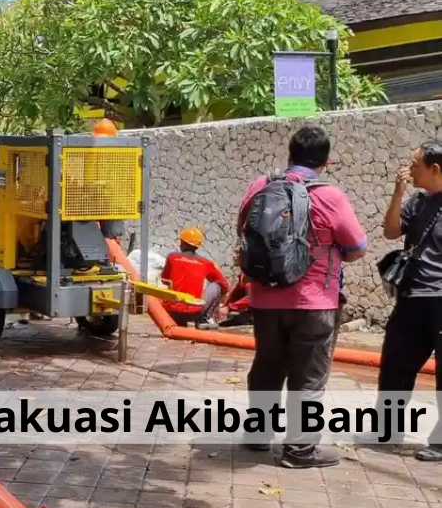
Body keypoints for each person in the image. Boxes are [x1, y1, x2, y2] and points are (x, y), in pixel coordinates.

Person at [238, 125, 367, 468]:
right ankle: (299, 451)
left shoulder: (260, 186)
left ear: (290, 153)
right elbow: (357, 247)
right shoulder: (330, 196)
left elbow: (244, 234)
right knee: (309, 375)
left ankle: (258, 434)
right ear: (326, 160)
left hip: (265, 299)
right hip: (315, 301)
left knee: (267, 366)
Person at [378, 141, 442, 460]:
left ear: (435, 169)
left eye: (415, 165)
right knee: (395, 363)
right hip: (411, 296)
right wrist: (397, 192)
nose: (408, 169)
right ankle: (388, 428)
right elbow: (391, 232)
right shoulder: (417, 201)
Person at [159, 227, 229, 328]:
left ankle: (179, 321)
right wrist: (221, 300)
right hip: (193, 313)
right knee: (216, 285)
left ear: (183, 243)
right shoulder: (205, 263)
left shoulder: (172, 257)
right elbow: (224, 284)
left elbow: (164, 278)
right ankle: (204, 319)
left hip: (171, 311)